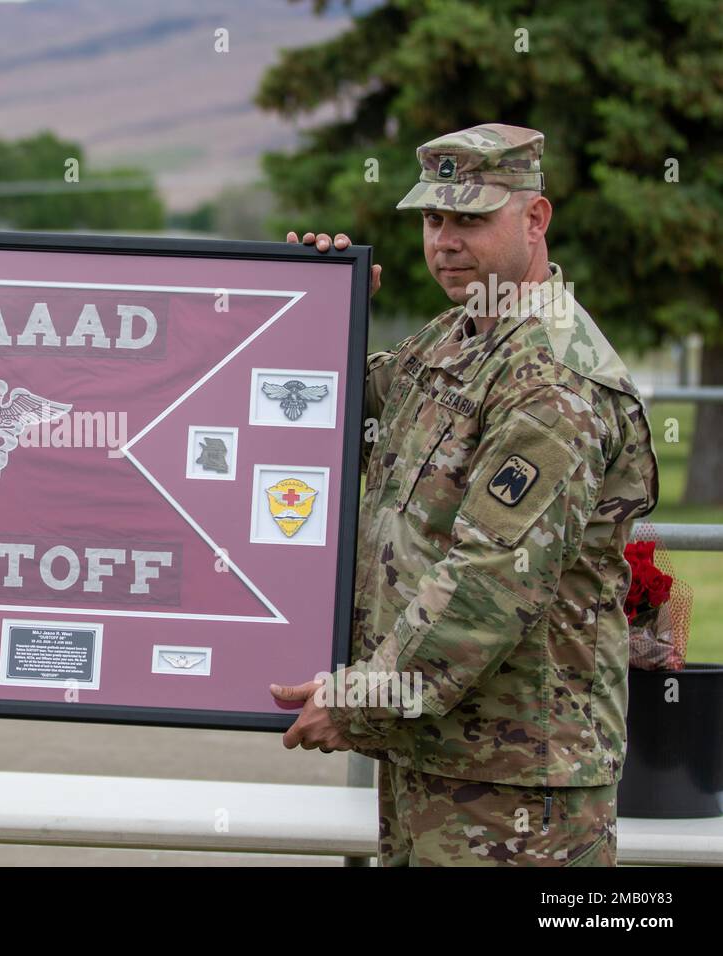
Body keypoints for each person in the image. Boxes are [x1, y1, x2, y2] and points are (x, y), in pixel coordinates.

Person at [274, 124, 660, 866]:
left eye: (471, 218)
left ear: (535, 219)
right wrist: (315, 305)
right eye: (432, 218)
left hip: (520, 784)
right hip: (438, 753)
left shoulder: (551, 377)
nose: (445, 241)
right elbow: (321, 411)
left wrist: (361, 698)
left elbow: (489, 579)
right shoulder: (453, 340)